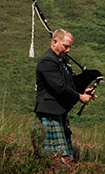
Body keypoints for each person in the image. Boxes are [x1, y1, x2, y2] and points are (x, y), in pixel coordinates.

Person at [33, 28, 96, 159]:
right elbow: (60, 87)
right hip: (49, 113)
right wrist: (80, 97)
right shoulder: (47, 61)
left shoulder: (63, 61)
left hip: (58, 113)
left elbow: (68, 83)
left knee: (63, 159)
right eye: (65, 46)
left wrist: (82, 91)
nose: (68, 50)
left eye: (69, 47)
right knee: (54, 158)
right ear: (55, 42)